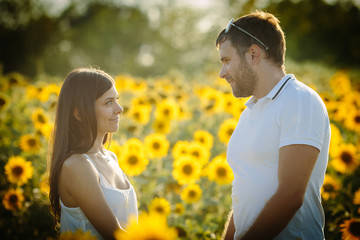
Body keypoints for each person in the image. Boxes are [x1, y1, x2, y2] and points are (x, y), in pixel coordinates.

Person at [216, 11, 330, 240]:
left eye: (227, 61)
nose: (222, 73)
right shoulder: (249, 113)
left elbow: (290, 196)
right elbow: (243, 201)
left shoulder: (298, 100)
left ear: (254, 54)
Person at [48, 68, 138, 240]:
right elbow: (115, 235)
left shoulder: (110, 157)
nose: (119, 109)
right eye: (108, 102)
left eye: (116, 100)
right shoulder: (76, 166)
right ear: (79, 114)